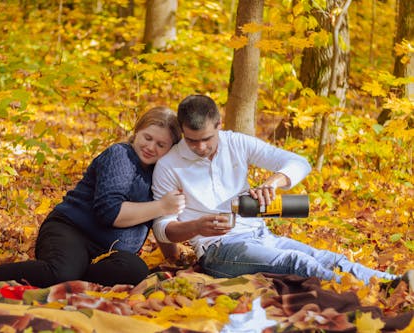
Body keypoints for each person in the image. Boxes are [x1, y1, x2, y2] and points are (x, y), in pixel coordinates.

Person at [152, 94, 412, 288]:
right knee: (298, 262)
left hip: (260, 234)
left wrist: (272, 183)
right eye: (191, 140)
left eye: (206, 139)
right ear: (182, 130)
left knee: (326, 256)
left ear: (219, 124)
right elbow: (162, 228)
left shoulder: (236, 142)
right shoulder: (168, 165)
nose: (199, 147)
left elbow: (300, 163)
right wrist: (197, 227)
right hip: (218, 250)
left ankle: (396, 283)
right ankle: (372, 291)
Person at [0, 106, 185, 288]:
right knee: (59, 273)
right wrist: (162, 206)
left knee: (136, 271)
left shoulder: (161, 172)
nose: (151, 147)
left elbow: (160, 220)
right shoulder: (121, 156)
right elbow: (110, 212)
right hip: (71, 231)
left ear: (171, 149)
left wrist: (173, 258)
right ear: (136, 132)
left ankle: (76, 272)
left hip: (105, 254)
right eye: (147, 138)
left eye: (161, 144)